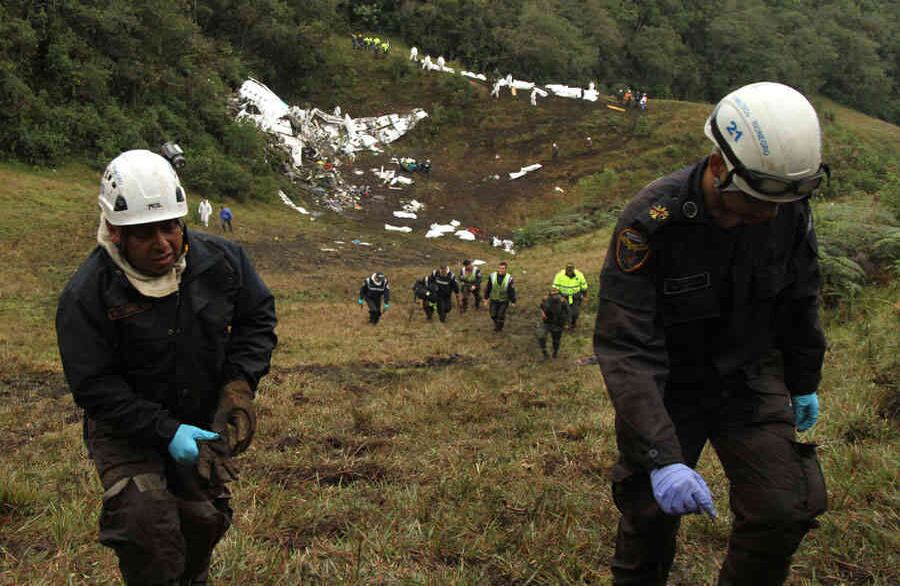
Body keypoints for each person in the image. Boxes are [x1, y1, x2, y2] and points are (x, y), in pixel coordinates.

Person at [593, 82, 830, 585]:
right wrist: (661, 456)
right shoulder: (651, 223)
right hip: (671, 385)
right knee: (649, 514)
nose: (769, 213)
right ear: (720, 167)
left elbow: (799, 296)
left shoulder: (786, 204)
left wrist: (803, 379)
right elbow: (627, 345)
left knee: (784, 508)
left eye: (781, 201)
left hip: (749, 376)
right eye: (757, 199)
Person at [56, 149, 277, 585]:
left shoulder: (222, 262)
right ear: (115, 232)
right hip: (126, 429)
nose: (162, 243)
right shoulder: (88, 294)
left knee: (202, 521)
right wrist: (165, 431)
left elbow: (257, 318)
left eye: (170, 227)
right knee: (146, 523)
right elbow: (93, 385)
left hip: (199, 417)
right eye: (144, 233)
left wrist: (238, 385)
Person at [553, 262, 589, 329]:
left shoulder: (579, 275)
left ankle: (573, 324)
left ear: (573, 269)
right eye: (568, 269)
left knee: (575, 313)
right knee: (564, 312)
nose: (569, 271)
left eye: (571, 269)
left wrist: (585, 296)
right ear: (565, 269)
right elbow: (555, 288)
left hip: (575, 297)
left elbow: (584, 287)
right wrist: (558, 297)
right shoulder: (559, 275)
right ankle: (564, 324)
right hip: (563, 297)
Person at [537, 286, 569, 359]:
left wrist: (567, 323)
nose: (555, 296)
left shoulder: (563, 301)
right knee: (541, 336)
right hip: (547, 322)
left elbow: (568, 312)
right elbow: (541, 307)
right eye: (553, 294)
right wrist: (542, 313)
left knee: (556, 340)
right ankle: (544, 352)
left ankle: (555, 352)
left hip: (558, 323)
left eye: (556, 294)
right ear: (550, 295)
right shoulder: (546, 300)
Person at [484, 261, 516, 331]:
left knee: (500, 315)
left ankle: (499, 327)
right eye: (500, 268)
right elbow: (488, 287)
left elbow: (511, 290)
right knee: (493, 315)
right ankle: (497, 323)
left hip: (504, 300)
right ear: (498, 268)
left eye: (503, 268)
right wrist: (486, 298)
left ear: (506, 269)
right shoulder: (492, 276)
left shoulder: (509, 278)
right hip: (494, 299)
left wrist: (513, 301)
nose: (501, 270)